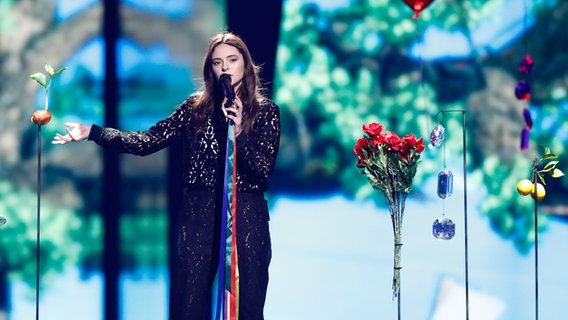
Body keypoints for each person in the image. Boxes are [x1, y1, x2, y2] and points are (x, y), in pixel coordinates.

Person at [52, 32, 281, 320]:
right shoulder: (195, 108)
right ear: (210, 69)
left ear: (245, 65)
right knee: (188, 306)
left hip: (247, 217)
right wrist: (93, 132)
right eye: (217, 62)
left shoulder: (267, 112)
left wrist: (239, 135)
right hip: (200, 215)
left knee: (247, 309)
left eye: (232, 60)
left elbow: (262, 169)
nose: (225, 68)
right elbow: (147, 141)